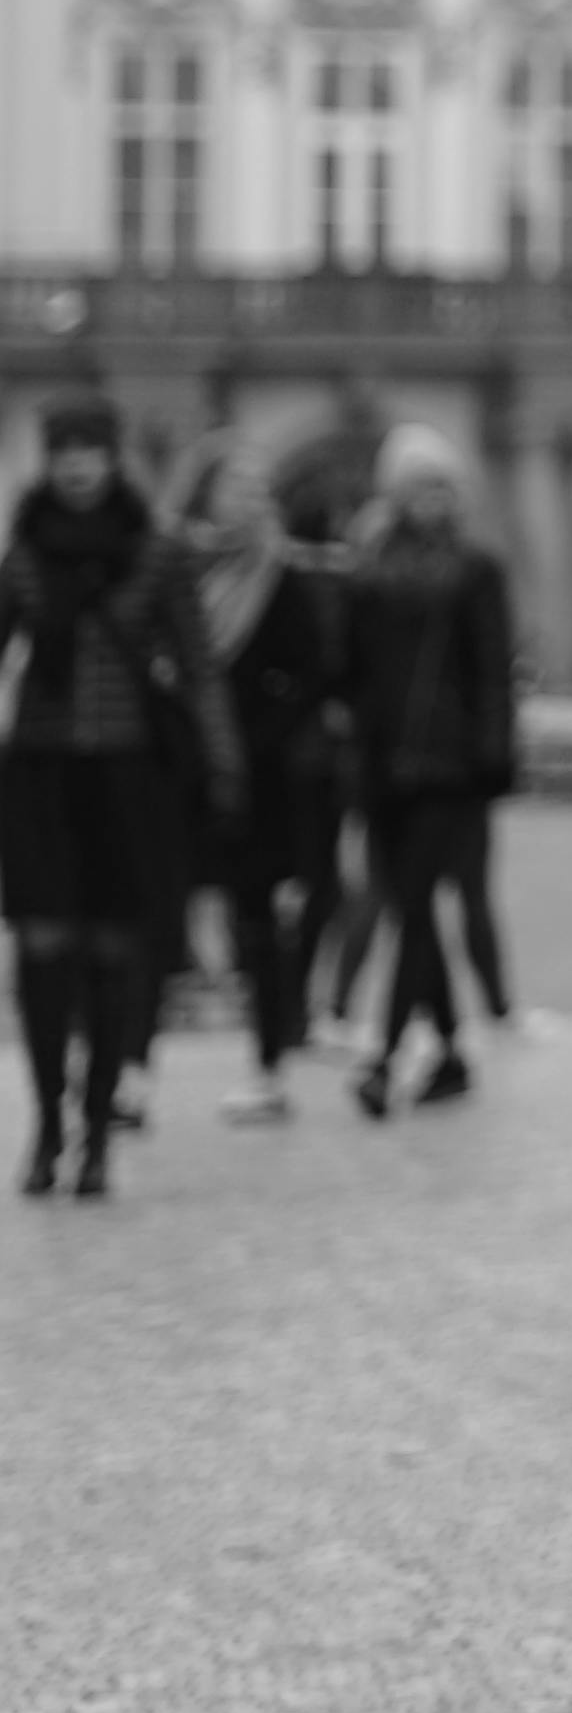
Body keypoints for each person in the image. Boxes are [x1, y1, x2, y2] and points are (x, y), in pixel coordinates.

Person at [1, 390, 241, 1194]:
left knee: (110, 954)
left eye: (87, 450)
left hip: (126, 774)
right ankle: (44, 1126)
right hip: (41, 769)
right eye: (61, 450)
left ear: (111, 458)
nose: (74, 465)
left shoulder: (156, 551)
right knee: (39, 951)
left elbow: (199, 666)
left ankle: (97, 1128)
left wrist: (221, 763)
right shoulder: (25, 549)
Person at [171, 447, 353, 1120]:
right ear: (205, 495)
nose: (249, 501)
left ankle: (269, 1057)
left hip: (266, 778)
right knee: (161, 914)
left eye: (257, 489)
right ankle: (126, 1070)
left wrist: (255, 741)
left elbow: (313, 676)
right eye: (234, 487)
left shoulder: (286, 579)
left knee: (259, 917)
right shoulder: (178, 571)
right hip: (190, 768)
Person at [342, 431, 520, 1116]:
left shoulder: (476, 569)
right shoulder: (369, 570)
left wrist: (494, 756)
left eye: (443, 485)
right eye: (421, 485)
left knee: (412, 906)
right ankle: (448, 1049)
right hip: (382, 765)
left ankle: (385, 1056)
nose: (433, 499)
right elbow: (352, 671)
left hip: (451, 767)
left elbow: (493, 669)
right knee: (408, 907)